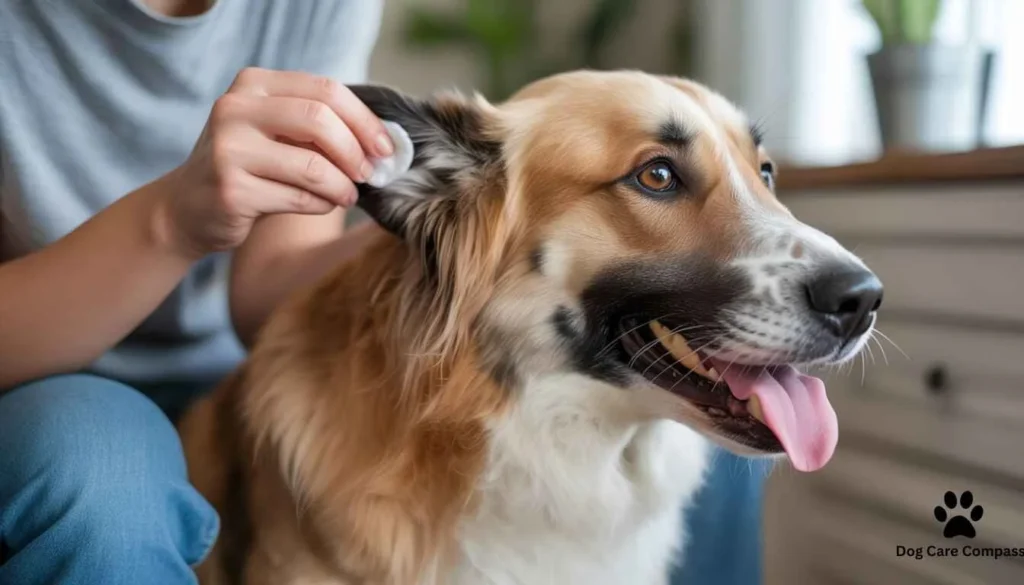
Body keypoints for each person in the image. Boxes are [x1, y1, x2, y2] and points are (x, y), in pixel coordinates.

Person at [0, 1, 769, 583]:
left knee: (730, 439)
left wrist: (457, 222)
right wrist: (171, 220)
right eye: (660, 175)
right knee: (99, 470)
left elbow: (263, 291)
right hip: (45, 383)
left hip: (240, 361)